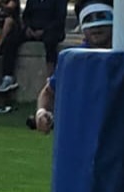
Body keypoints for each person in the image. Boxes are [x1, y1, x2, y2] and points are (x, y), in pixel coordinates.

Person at [34, 0, 113, 134]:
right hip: (80, 137)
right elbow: (48, 92)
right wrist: (41, 113)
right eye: (88, 18)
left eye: (102, 17)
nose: (96, 26)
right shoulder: (73, 60)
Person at [0, 0, 68, 94]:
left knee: (50, 42)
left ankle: (51, 78)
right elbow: (26, 15)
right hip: (32, 29)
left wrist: (43, 31)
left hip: (51, 30)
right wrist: (28, 28)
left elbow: (60, 19)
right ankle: (8, 77)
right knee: (11, 40)